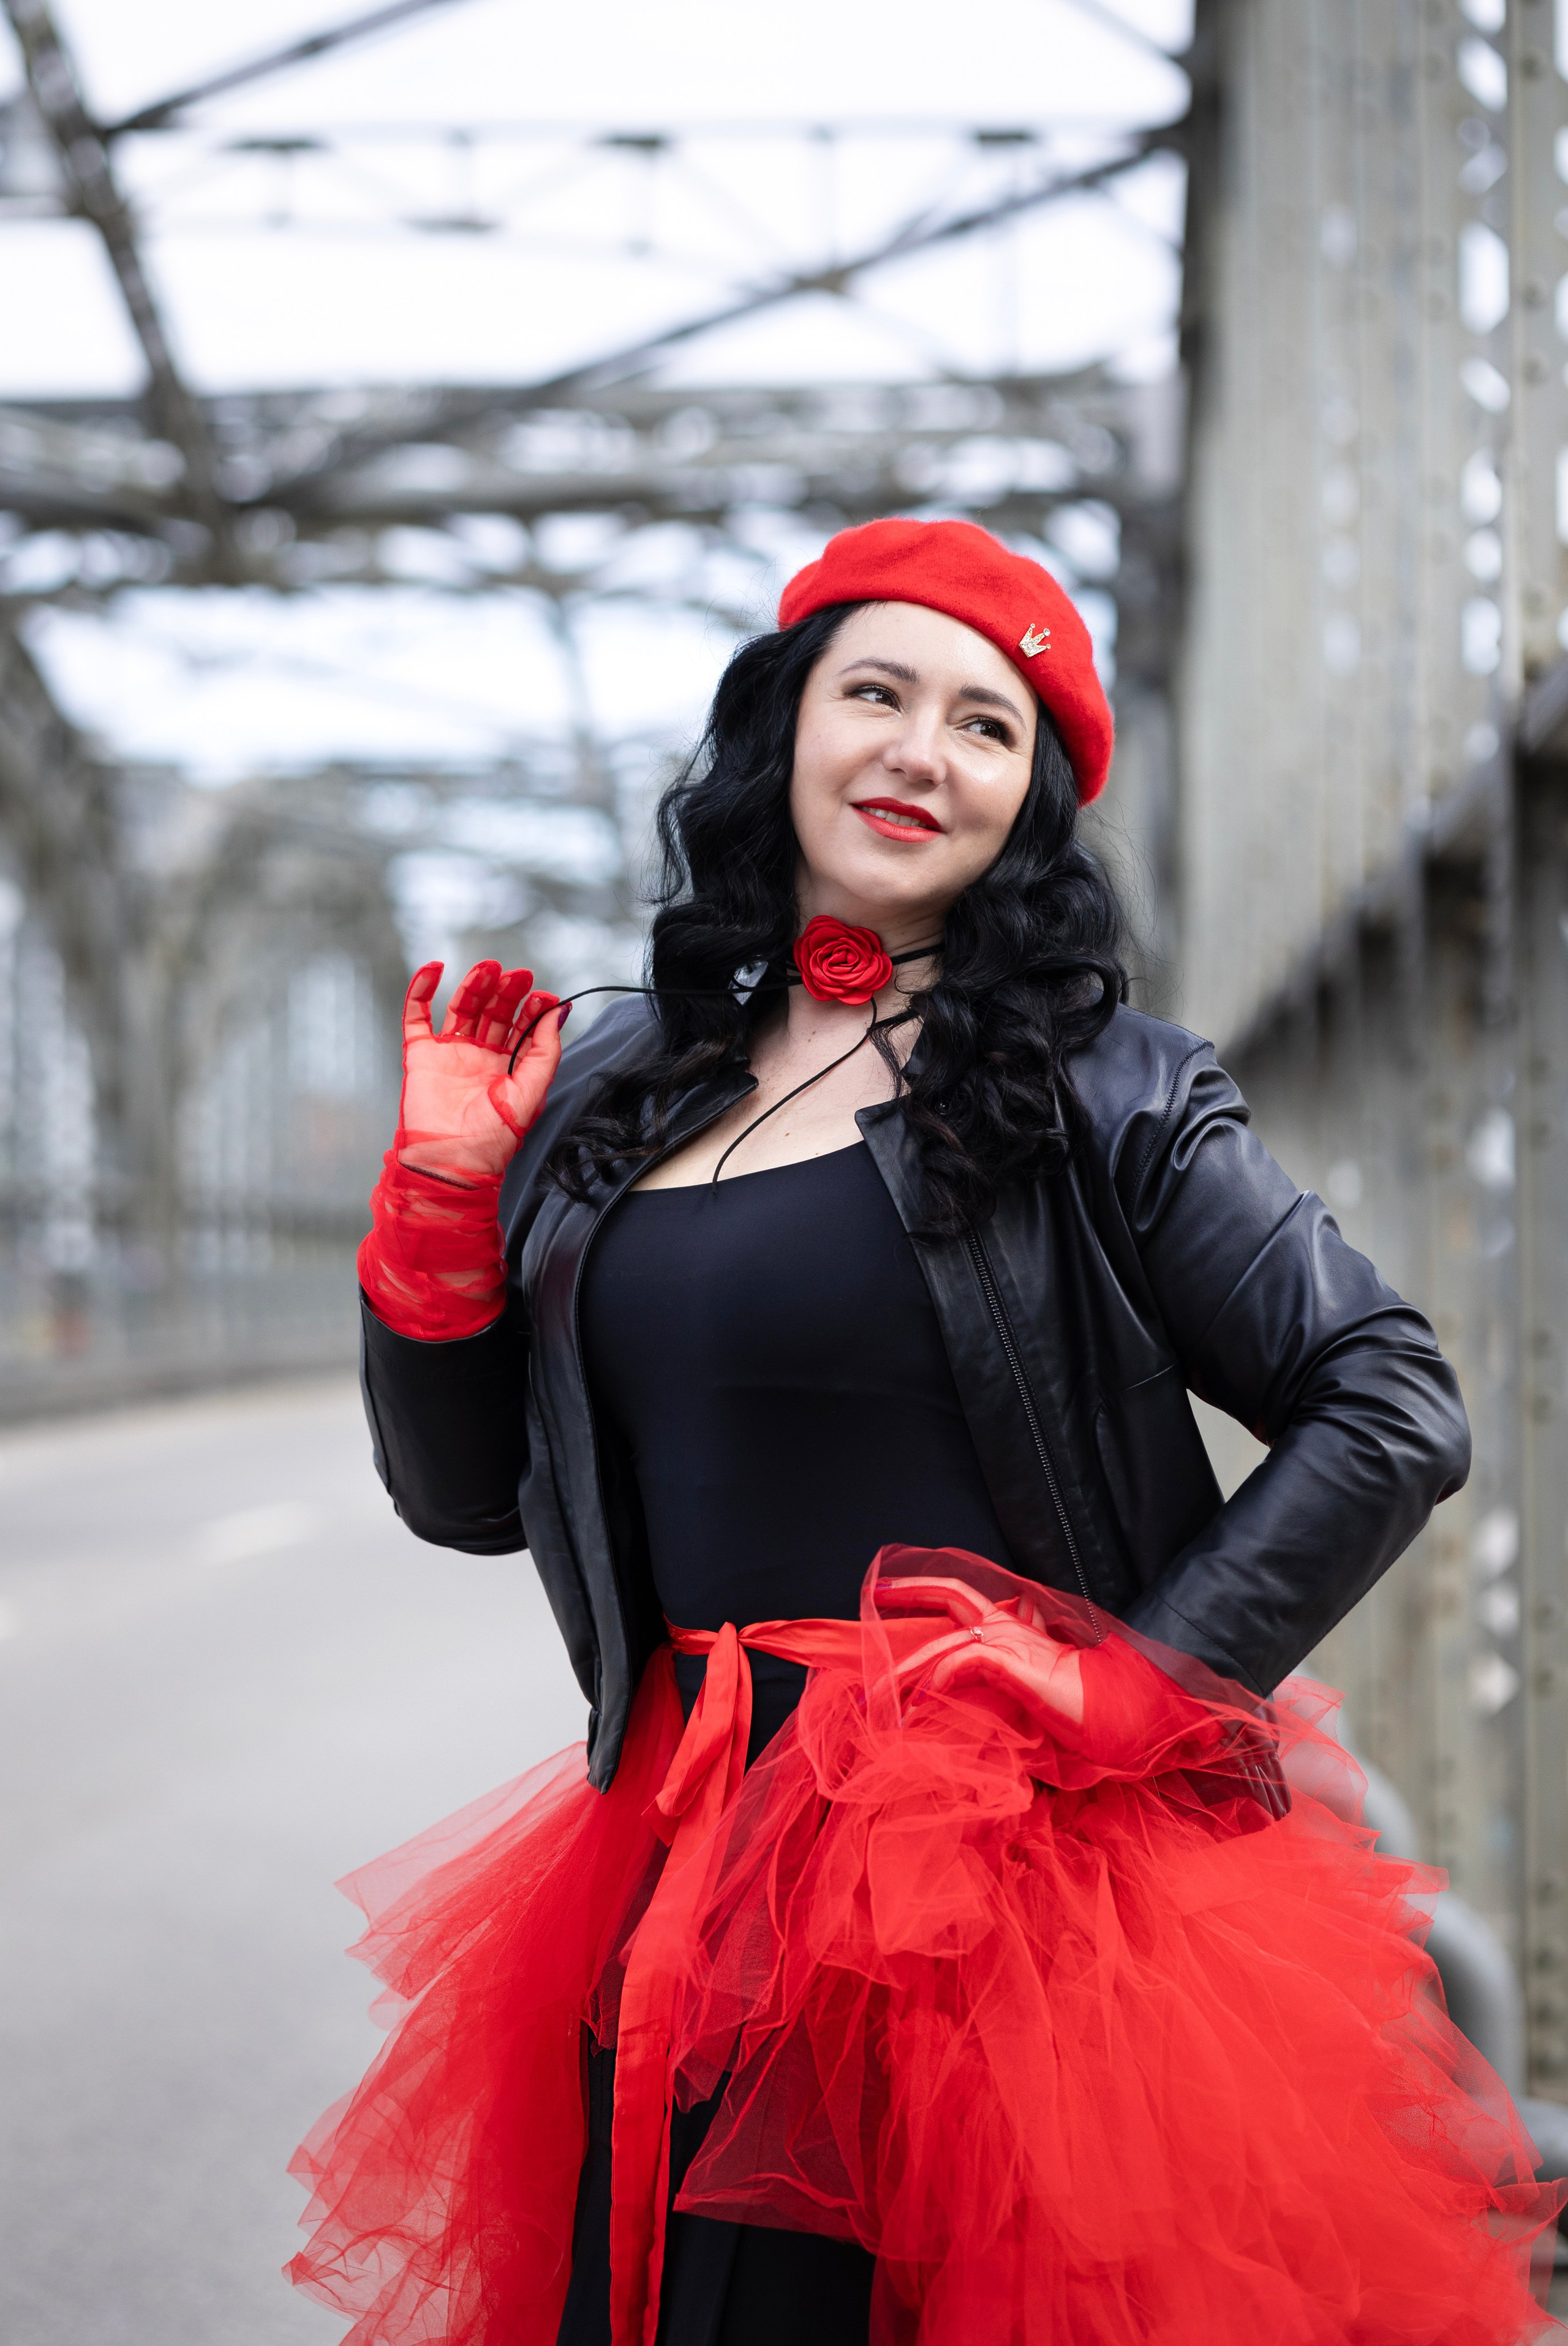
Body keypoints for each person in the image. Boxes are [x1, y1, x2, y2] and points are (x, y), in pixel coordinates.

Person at [287, 518, 1560, 2346]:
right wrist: (441, 1204)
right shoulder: (618, 1090)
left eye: (986, 725)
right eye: (875, 692)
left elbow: (1391, 1401)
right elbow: (467, 1499)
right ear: (783, 725)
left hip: (998, 1894)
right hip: (679, 1857)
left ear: (1028, 804)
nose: (918, 751)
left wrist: (1141, 1685)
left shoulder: (1102, 1088)